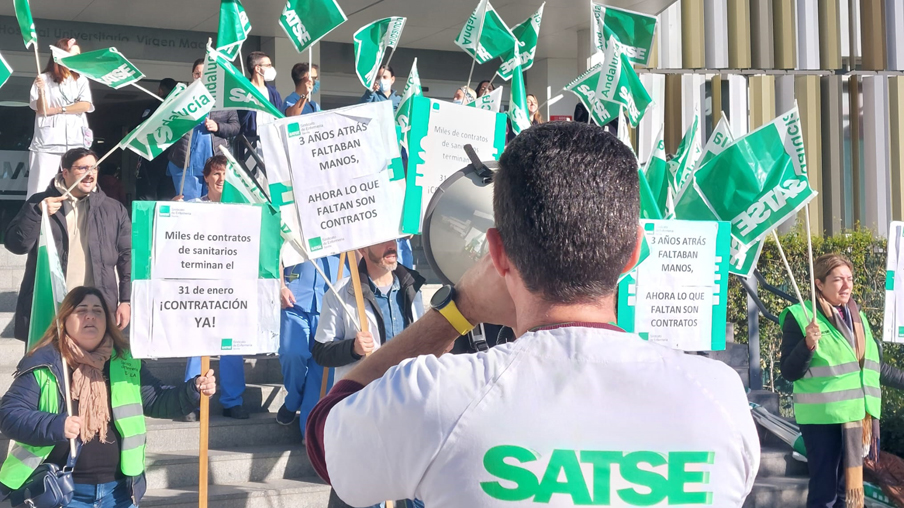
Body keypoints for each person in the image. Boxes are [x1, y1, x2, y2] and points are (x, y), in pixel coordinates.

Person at [305, 122, 759, 507]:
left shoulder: (439, 396)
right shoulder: (720, 398)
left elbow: (326, 436)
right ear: (633, 252)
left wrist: (456, 313)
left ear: (498, 254)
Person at [0, 286, 216, 507]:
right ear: (65, 319)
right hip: (59, 493)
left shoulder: (125, 361)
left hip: (120, 493)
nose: (90, 316)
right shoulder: (45, 362)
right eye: (81, 310)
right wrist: (56, 425)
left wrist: (193, 389)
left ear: (107, 321)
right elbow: (9, 415)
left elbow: (157, 400)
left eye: (98, 311)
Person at [780, 253, 904, 508]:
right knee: (825, 492)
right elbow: (789, 372)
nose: (847, 286)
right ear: (819, 284)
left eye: (849, 278)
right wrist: (807, 344)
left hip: (856, 415)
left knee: (848, 491)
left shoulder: (858, 318)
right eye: (838, 280)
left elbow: (869, 367)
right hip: (822, 418)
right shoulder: (800, 316)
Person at [5, 148, 132, 343]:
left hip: (95, 309)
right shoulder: (40, 202)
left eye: (95, 168)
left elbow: (127, 258)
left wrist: (126, 300)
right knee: (48, 370)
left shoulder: (113, 209)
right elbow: (16, 245)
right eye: (83, 168)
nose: (90, 174)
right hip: (51, 307)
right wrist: (38, 213)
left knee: (92, 371)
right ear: (65, 173)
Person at [175, 156, 248, 420]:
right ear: (206, 177)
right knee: (198, 343)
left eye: (225, 174)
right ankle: (192, 400)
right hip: (200, 288)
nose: (220, 179)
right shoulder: (193, 207)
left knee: (232, 344)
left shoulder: (241, 209)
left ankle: (232, 400)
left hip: (231, 288)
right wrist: (173, 211)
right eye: (216, 173)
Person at [275, 255, 342, 430]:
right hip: (295, 299)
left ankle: (308, 429)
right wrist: (281, 285)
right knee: (292, 353)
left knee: (321, 370)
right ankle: (294, 399)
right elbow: (278, 253)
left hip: (332, 301)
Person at [27, 38, 94, 199]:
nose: (78, 58)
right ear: (61, 54)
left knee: (77, 184)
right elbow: (41, 109)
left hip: (75, 140)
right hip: (47, 142)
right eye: (74, 54)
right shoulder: (43, 79)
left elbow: (85, 105)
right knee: (40, 186)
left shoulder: (81, 80)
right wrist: (42, 91)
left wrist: (58, 109)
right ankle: (35, 221)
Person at [169, 59, 239, 201]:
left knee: (214, 203)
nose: (200, 77)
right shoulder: (182, 98)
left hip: (215, 163)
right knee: (189, 204)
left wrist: (218, 127)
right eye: (197, 74)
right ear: (192, 75)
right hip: (185, 163)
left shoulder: (223, 100)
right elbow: (169, 125)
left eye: (204, 74)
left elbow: (235, 126)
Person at [135, 78, 178, 201]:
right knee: (167, 198)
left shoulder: (154, 106)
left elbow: (140, 128)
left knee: (146, 196)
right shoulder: (180, 110)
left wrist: (130, 131)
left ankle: (146, 221)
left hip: (151, 156)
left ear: (160, 90)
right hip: (173, 159)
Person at [237, 51, 283, 146]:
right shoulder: (243, 92)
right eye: (268, 65)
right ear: (257, 68)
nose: (272, 68)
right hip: (250, 144)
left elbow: (280, 117)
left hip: (272, 143)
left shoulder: (274, 93)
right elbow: (239, 119)